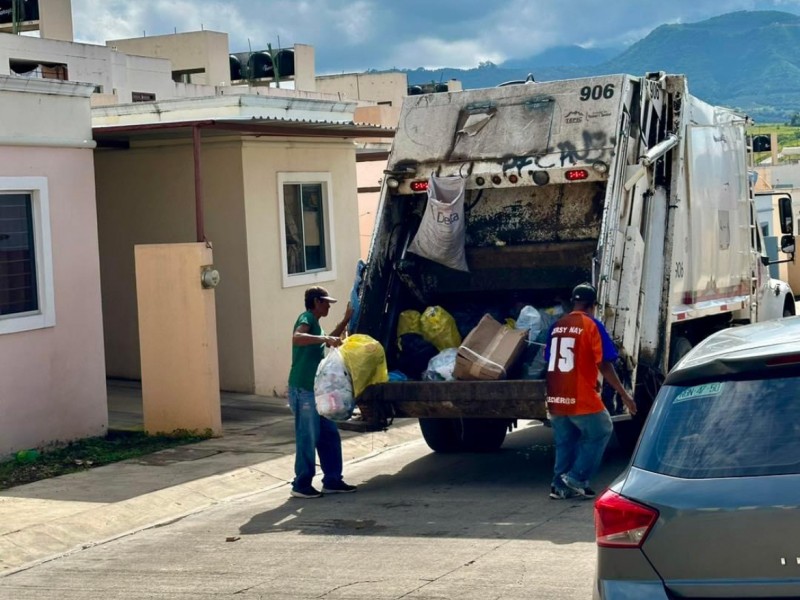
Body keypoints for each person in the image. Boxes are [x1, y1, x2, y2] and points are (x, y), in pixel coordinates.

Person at [544, 283, 636, 500]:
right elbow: (605, 364)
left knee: (565, 440)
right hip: (580, 395)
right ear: (593, 305)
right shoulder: (591, 325)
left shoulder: (557, 325)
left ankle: (559, 485)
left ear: (574, 302)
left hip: (556, 394)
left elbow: (549, 359)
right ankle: (576, 478)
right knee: (602, 429)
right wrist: (624, 394)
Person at [288, 286, 356, 499]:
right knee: (308, 436)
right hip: (303, 391)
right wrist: (324, 339)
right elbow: (297, 337)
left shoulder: (316, 325)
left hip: (316, 392)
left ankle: (333, 480)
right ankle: (301, 484)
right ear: (316, 302)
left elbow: (329, 338)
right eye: (326, 302)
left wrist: (345, 321)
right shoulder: (306, 317)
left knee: (329, 435)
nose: (328, 306)